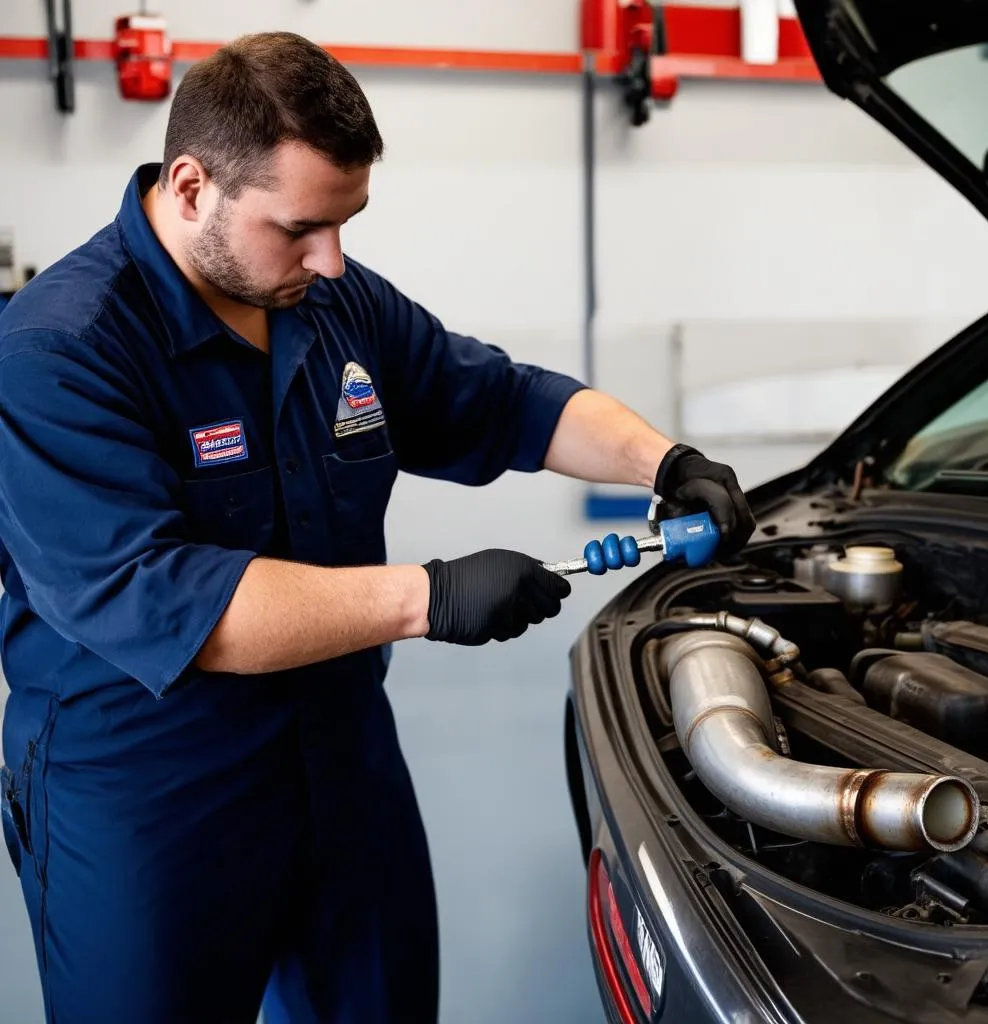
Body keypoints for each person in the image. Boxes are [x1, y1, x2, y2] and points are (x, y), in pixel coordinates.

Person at [0, 31, 755, 1024]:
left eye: (347, 223)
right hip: (145, 796)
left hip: (341, 761)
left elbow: (504, 401)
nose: (334, 258)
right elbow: (171, 600)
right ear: (190, 188)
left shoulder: (330, 299)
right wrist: (427, 595)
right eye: (302, 227)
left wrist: (665, 463)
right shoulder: (61, 349)